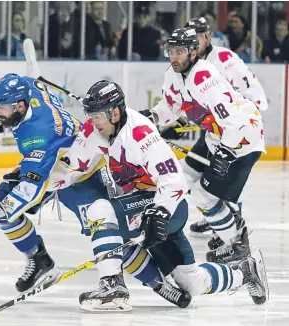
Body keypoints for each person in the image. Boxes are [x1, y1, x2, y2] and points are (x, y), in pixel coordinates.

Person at [0, 73, 202, 311]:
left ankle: (157, 284)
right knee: (3, 203)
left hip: (85, 176)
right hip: (66, 163)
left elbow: (34, 186)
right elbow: (62, 169)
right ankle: (38, 258)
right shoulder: (28, 89)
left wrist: (3, 206)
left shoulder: (39, 135)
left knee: (107, 227)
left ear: (19, 105)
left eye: (1, 108)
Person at [68, 79, 268, 309]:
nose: (92, 123)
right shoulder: (97, 130)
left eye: (97, 117)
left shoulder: (140, 134)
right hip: (145, 207)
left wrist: (159, 212)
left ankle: (112, 284)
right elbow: (71, 166)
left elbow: (174, 181)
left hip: (167, 208)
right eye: (90, 116)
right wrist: (33, 181)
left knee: (101, 211)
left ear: (114, 113)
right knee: (191, 282)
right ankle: (245, 273)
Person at [145, 28, 265, 264]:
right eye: (171, 51)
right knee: (179, 177)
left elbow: (235, 120)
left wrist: (225, 152)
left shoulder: (205, 79)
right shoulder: (173, 72)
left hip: (243, 139)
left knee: (202, 195)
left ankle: (236, 242)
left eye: (180, 52)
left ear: (192, 52)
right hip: (216, 136)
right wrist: (152, 118)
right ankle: (227, 227)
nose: (174, 57)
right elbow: (172, 105)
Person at [177, 17, 268, 248]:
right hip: (214, 132)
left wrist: (239, 121)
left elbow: (254, 94)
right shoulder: (189, 64)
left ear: (207, 36)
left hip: (235, 130)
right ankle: (217, 218)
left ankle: (232, 226)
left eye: (195, 36)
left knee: (223, 175)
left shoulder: (224, 59)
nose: (190, 41)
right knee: (191, 177)